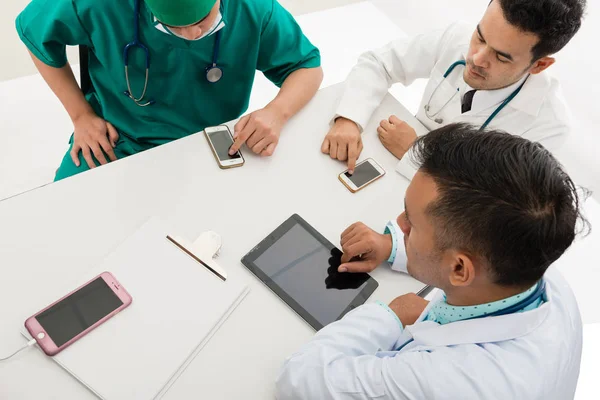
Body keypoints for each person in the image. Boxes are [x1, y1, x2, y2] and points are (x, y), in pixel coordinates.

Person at [276, 123, 588, 400]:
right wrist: (391, 247)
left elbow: (300, 381)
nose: (399, 223)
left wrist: (390, 315)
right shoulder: (534, 262)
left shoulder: (446, 382)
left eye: (411, 221)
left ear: (459, 269)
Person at [16, 0, 323, 180]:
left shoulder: (251, 8)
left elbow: (307, 67)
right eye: (172, 27)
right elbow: (33, 33)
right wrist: (81, 115)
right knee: (65, 219)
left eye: (204, 20)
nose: (192, 35)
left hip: (212, 146)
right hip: (119, 138)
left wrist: (276, 112)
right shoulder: (99, 5)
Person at [321, 0, 586, 176]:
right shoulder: (456, 37)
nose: (477, 59)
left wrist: (416, 152)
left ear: (539, 65)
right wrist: (349, 118)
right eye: (480, 37)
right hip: (386, 166)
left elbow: (489, 203)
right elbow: (380, 63)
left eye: (502, 57)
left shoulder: (548, 125)